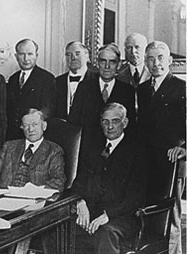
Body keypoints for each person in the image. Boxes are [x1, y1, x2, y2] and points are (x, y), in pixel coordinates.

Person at [72, 102, 148, 254]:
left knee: (105, 233)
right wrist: (80, 201)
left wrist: (108, 215)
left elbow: (135, 197)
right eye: (105, 122)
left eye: (115, 121)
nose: (110, 127)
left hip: (122, 217)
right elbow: (79, 182)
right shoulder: (93, 147)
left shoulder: (138, 151)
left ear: (125, 123)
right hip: (91, 212)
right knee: (60, 226)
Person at [137, 41, 186, 254]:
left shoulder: (181, 87)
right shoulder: (142, 89)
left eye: (159, 58)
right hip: (147, 160)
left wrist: (185, 148)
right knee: (150, 211)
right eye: (150, 58)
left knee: (171, 213)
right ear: (145, 62)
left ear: (169, 61)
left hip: (171, 160)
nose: (155, 63)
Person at [68, 43, 136, 173]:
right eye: (103, 61)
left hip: (116, 155)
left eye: (112, 62)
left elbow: (130, 127)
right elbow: (73, 122)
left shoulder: (127, 91)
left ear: (119, 65)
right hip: (87, 155)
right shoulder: (84, 87)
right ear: (97, 63)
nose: (107, 66)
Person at [0, 108, 66, 192]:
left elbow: (59, 181)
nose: (30, 129)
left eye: (34, 124)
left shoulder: (54, 151)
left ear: (44, 126)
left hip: (34, 200)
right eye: (26, 126)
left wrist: (35, 191)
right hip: (4, 197)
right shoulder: (9, 147)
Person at [6, 39, 56, 141]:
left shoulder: (47, 78)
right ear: (16, 56)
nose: (26, 58)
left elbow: (48, 108)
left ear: (36, 55)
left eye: (30, 54)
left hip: (35, 135)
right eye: (21, 54)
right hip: (13, 136)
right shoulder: (13, 79)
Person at [55, 41, 97, 119]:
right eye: (68, 55)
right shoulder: (57, 82)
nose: (73, 58)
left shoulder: (97, 80)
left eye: (77, 54)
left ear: (87, 56)